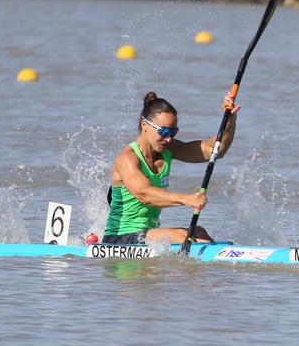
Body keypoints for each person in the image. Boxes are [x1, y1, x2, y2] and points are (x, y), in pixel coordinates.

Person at [102, 91, 239, 244]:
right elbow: (144, 195)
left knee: (198, 231)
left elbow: (215, 150)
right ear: (144, 124)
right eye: (164, 131)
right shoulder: (127, 158)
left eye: (173, 132)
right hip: (118, 238)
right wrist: (186, 199)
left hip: (147, 234)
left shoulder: (168, 150)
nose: (169, 139)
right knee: (182, 236)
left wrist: (229, 119)